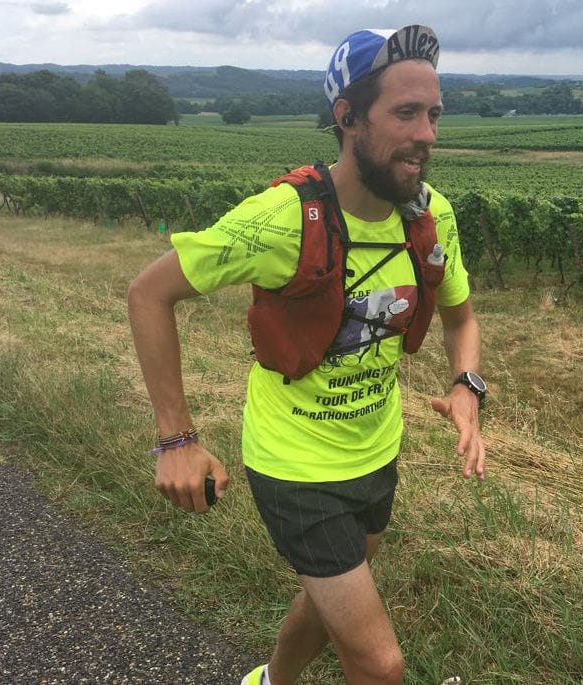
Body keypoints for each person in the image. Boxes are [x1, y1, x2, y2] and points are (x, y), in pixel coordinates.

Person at [127, 25, 486, 685]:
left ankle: (269, 681)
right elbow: (150, 292)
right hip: (292, 462)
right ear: (346, 117)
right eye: (406, 113)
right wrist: (175, 437)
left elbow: (462, 317)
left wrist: (467, 384)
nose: (428, 134)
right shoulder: (283, 217)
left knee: (326, 608)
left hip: (376, 452)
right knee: (380, 664)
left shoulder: (432, 215)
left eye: (433, 114)